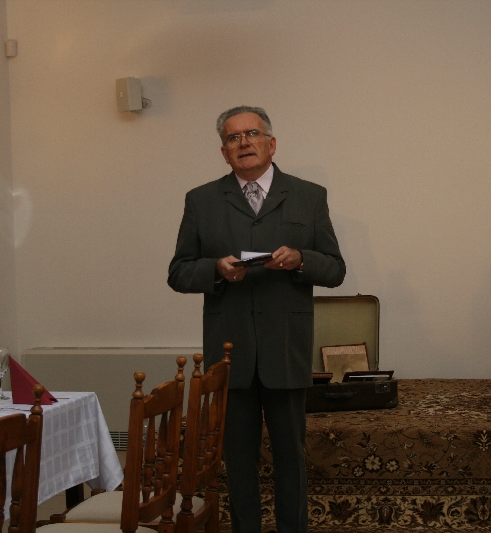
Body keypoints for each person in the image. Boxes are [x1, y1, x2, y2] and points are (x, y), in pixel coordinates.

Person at [168, 106, 346, 533]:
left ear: (271, 143)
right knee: (237, 461)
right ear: (224, 152)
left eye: (252, 134)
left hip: (285, 347)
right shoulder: (201, 200)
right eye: (233, 138)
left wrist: (301, 259)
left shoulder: (309, 195)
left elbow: (335, 269)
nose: (244, 142)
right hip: (229, 354)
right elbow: (178, 272)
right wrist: (216, 269)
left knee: (290, 458)